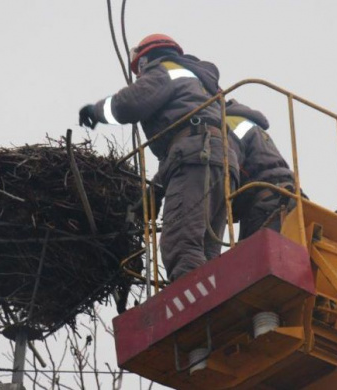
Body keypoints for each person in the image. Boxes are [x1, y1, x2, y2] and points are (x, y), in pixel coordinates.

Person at [78, 34, 241, 281]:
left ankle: (193, 309)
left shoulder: (163, 71)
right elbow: (180, 152)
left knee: (181, 243)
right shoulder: (203, 84)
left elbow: (127, 105)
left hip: (197, 156)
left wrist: (96, 111)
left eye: (139, 70)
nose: (139, 75)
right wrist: (154, 192)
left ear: (144, 60)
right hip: (223, 162)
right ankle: (213, 303)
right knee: (207, 250)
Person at [224, 99, 298, 240]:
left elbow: (227, 169)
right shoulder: (250, 124)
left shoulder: (228, 124)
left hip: (267, 205)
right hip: (288, 198)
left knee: (253, 259)